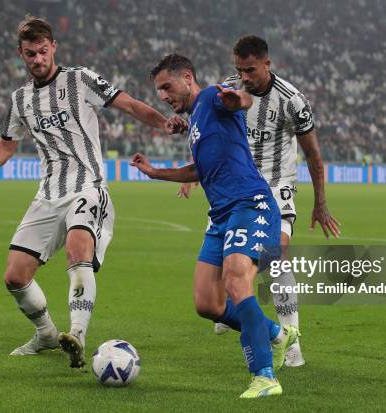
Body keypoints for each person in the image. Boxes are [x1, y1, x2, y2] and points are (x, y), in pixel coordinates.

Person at [0, 16, 185, 368]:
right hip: (48, 194)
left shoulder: (80, 79)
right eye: (30, 54)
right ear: (21, 54)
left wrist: (163, 122)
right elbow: (6, 146)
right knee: (15, 276)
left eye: (43, 51)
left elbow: (130, 104)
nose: (38, 59)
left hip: (87, 187)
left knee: (78, 247)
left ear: (53, 48)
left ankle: (76, 334)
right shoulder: (20, 100)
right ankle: (46, 334)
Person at [131, 53, 299, 398]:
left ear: (187, 77)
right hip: (222, 215)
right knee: (208, 304)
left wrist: (239, 99)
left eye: (167, 86)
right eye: (159, 90)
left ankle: (265, 376)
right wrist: (156, 172)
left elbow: (239, 100)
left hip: (249, 205)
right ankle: (278, 334)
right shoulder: (196, 123)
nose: (163, 96)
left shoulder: (210, 97)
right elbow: (198, 171)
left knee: (236, 281)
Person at [178, 35, 340, 366]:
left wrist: (320, 203)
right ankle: (232, 311)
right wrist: (195, 176)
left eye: (250, 70)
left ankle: (291, 339)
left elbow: (313, 154)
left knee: (274, 256)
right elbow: (205, 132)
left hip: (276, 184)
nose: (245, 77)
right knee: (224, 271)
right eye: (239, 70)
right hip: (233, 188)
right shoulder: (227, 91)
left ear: (267, 64)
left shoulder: (292, 100)